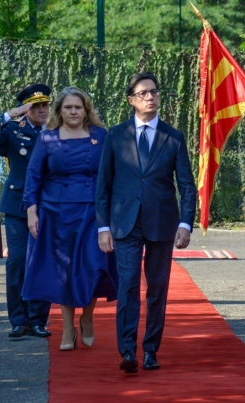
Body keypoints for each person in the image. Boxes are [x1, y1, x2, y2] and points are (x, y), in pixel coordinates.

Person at [96, 72, 197, 374]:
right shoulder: (116, 135)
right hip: (124, 223)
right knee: (127, 285)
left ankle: (151, 349)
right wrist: (103, 227)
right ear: (131, 100)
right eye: (143, 93)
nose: (150, 97)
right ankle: (127, 350)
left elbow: (187, 186)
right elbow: (103, 185)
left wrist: (186, 224)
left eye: (154, 91)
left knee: (157, 288)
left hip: (162, 223)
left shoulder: (173, 137)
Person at [23, 86, 118, 351]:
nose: (73, 111)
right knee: (63, 273)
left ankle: (87, 319)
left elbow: (112, 173)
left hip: (93, 212)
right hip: (55, 213)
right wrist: (32, 211)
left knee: (92, 266)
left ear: (86, 110)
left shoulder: (101, 135)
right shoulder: (47, 139)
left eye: (78, 107)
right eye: (68, 107)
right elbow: (33, 175)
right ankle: (67, 327)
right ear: (59, 111)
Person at [0, 84, 53, 339]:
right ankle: (18, 320)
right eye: (35, 106)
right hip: (17, 206)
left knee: (42, 262)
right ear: (25, 109)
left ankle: (38, 319)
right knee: (17, 262)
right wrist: (9, 115)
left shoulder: (56, 131)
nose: (41, 110)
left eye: (44, 105)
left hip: (49, 205)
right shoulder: (12, 131)